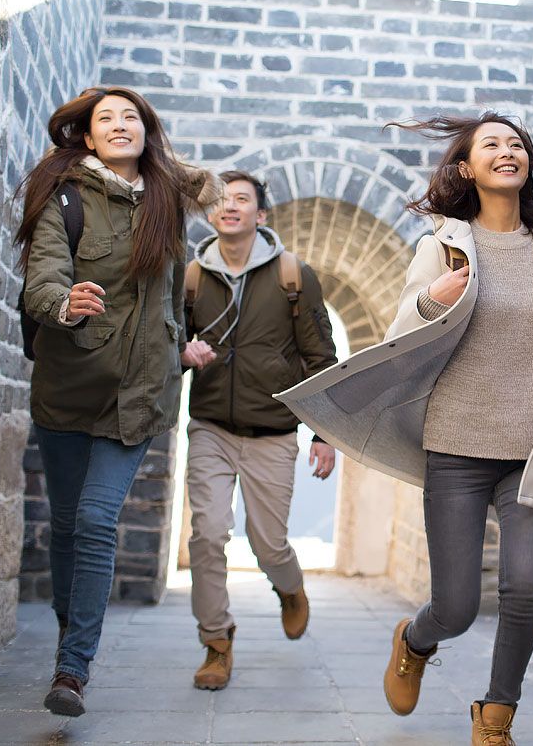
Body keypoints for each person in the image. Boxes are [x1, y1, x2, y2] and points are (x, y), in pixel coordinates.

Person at [274, 112, 533, 746]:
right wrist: (432, 299)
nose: (508, 152)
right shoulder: (443, 246)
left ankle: (495, 719)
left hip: (532, 446)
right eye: (492, 145)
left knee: (527, 589)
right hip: (456, 447)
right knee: (456, 606)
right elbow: (398, 337)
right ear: (467, 169)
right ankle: (415, 642)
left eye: (517, 144)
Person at [16, 86, 222, 717]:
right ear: (86, 135)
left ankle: (73, 670)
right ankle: (68, 637)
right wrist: (64, 304)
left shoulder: (165, 198)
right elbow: (43, 278)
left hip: (139, 395)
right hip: (69, 387)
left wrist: (178, 346)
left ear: (147, 130)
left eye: (132, 117)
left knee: (98, 522)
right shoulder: (66, 198)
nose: (120, 124)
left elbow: (167, 292)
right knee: (68, 525)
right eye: (106, 119)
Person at [179, 170, 338, 690]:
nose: (231, 207)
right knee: (207, 535)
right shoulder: (192, 278)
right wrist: (184, 353)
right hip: (210, 428)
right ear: (210, 213)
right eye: (222, 200)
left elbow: (321, 358)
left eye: (242, 200)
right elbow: (165, 346)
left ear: (260, 215)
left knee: (267, 544)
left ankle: (290, 588)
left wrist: (324, 434)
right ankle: (216, 643)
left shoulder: (294, 275)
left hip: (272, 432)